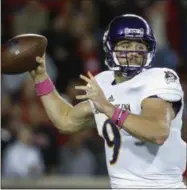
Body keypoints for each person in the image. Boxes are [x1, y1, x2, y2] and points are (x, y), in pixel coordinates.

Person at [30, 14, 186, 188]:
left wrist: (108, 107)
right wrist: (41, 78)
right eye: (126, 45)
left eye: (139, 46)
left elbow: (157, 132)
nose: (133, 53)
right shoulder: (103, 82)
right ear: (110, 48)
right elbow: (66, 121)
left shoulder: (159, 78)